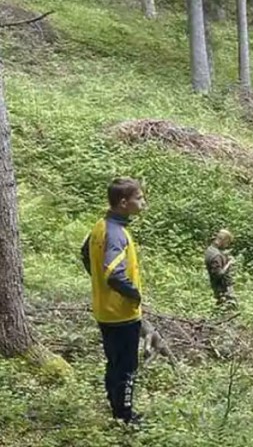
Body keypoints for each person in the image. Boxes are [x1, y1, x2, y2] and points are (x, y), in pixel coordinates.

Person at [81, 177, 146, 425]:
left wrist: (97, 280)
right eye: (139, 198)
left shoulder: (100, 226)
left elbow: (85, 253)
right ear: (123, 202)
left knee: (114, 362)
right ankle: (125, 416)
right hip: (122, 314)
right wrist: (135, 295)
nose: (143, 202)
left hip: (104, 310)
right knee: (127, 367)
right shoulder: (117, 234)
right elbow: (114, 274)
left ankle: (115, 407)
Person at [204, 229, 237, 308]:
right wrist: (229, 264)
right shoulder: (217, 255)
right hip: (223, 290)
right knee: (230, 308)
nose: (227, 245)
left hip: (216, 287)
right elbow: (219, 274)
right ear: (223, 240)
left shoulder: (210, 250)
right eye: (227, 242)